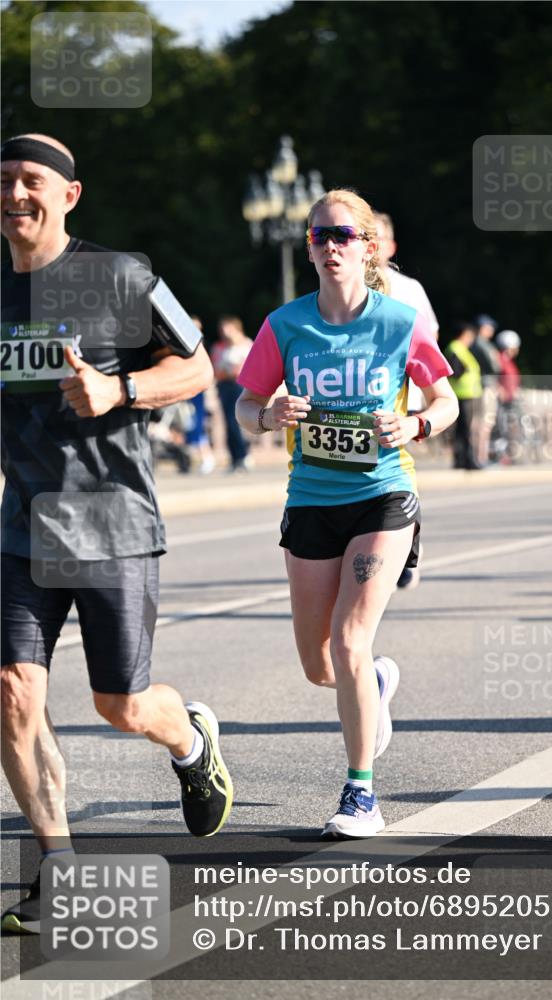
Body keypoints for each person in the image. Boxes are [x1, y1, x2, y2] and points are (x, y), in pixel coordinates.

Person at [0, 134, 233, 933]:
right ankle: (55, 868)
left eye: (32, 181)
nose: (15, 194)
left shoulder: (124, 276)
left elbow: (199, 367)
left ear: (70, 195)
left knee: (121, 704)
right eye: (3, 181)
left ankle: (191, 741)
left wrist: (121, 387)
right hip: (24, 527)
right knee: (12, 693)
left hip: (113, 523)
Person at [236, 189, 457, 838]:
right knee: (319, 663)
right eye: (318, 237)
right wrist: (266, 414)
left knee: (351, 640)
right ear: (308, 247)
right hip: (310, 500)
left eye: (341, 235)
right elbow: (245, 406)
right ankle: (375, 688)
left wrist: (415, 423)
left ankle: (361, 794)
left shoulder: (398, 322)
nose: (329, 247)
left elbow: (445, 402)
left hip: (382, 496)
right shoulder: (284, 325)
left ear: (367, 246)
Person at [374, 211, 440, 590]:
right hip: (361, 398)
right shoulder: (341, 289)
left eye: (380, 237)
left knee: (399, 468)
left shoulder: (409, 288)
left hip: (405, 395)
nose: (374, 244)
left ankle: (406, 543)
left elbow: (428, 337)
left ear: (391, 246)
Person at [211, 316, 254, 472]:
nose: (224, 332)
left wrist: (232, 371)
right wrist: (230, 371)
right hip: (224, 386)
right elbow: (216, 370)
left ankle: (243, 454)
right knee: (228, 422)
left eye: (228, 328)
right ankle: (235, 457)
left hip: (239, 386)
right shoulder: (219, 347)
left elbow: (247, 368)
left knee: (238, 420)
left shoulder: (247, 344)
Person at [444, 321, 483, 470]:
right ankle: (467, 460)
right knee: (465, 430)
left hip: (465, 394)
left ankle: (462, 459)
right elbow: (454, 371)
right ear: (465, 334)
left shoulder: (459, 348)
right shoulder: (455, 348)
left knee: (463, 430)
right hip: (462, 394)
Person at [186, 317, 216, 473]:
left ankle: (207, 457)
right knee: (189, 425)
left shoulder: (198, 347)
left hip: (196, 391)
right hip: (188, 390)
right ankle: (198, 458)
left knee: (197, 425)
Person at [471, 313, 501, 465]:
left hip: (475, 387)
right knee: (485, 422)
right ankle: (482, 457)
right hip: (487, 386)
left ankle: (476, 456)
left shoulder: (471, 344)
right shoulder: (484, 345)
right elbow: (496, 366)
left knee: (477, 422)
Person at [492, 329, 522, 464]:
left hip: (511, 399)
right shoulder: (500, 359)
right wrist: (500, 389)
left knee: (510, 427)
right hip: (503, 399)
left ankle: (510, 454)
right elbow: (495, 376)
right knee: (502, 427)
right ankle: (503, 456)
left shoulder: (508, 360)